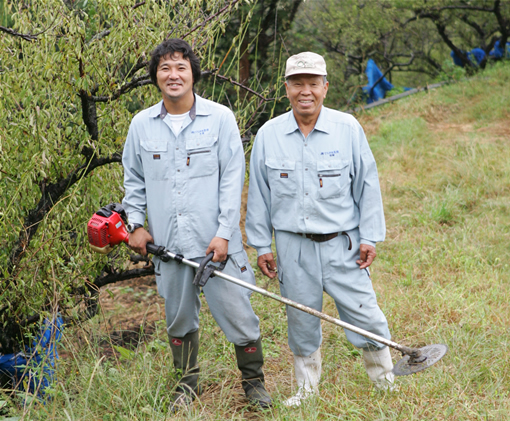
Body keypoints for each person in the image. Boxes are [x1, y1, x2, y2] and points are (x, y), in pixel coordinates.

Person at [121, 39, 272, 411]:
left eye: (181, 68)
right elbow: (133, 180)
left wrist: (223, 233)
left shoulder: (220, 119)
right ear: (155, 77)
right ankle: (186, 385)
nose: (173, 75)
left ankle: (254, 382)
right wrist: (135, 224)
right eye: (165, 69)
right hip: (168, 246)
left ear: (193, 74)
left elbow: (231, 179)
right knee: (178, 319)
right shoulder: (141, 125)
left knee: (240, 316)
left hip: (216, 245)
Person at [245, 52, 394, 407]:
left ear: (325, 88)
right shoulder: (269, 134)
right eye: (297, 83)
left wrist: (370, 237)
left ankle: (385, 381)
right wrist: (261, 245)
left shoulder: (348, 128)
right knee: (301, 318)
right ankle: (306, 388)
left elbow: (367, 186)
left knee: (364, 312)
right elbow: (259, 195)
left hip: (343, 243)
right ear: (286, 88)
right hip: (292, 246)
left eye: (313, 83)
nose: (305, 91)